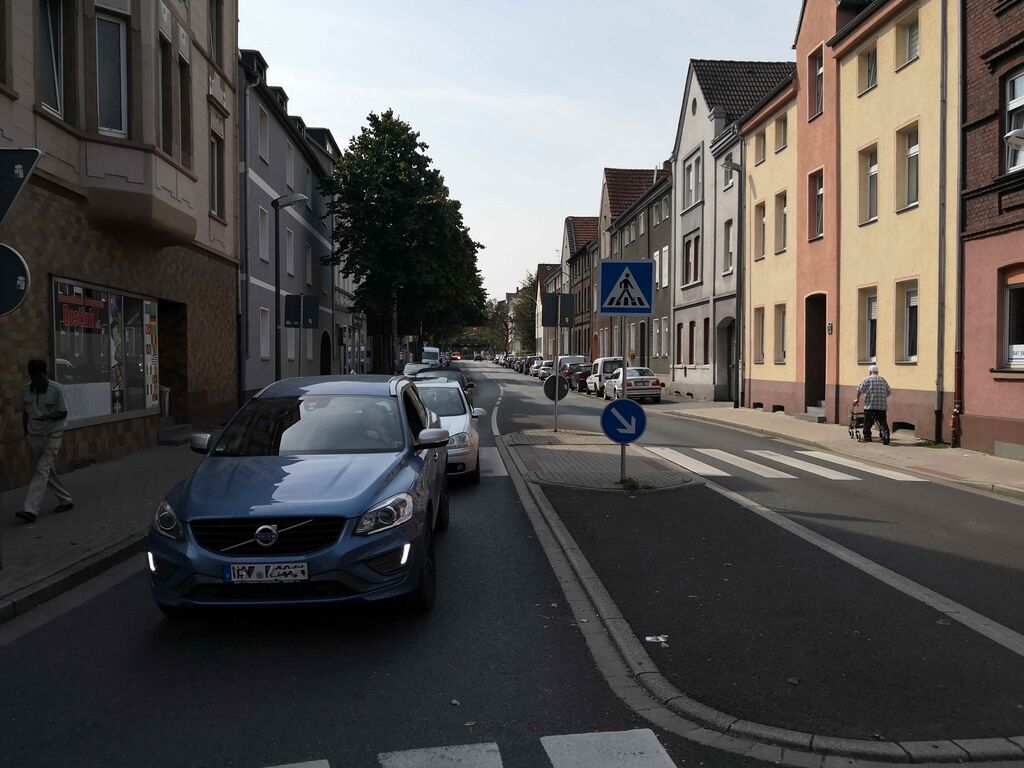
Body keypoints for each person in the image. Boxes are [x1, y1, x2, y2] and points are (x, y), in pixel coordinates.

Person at [17, 359, 74, 522]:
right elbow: (25, 412)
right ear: (30, 376)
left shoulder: (56, 389)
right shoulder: (25, 390)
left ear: (45, 373)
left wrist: (48, 417)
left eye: (40, 377)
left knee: (42, 470)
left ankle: (30, 510)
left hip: (53, 434)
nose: (38, 381)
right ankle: (66, 500)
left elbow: (63, 412)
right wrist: (26, 432)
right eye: (34, 378)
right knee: (45, 471)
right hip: (34, 435)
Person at [853, 364, 893, 445]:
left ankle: (867, 436)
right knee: (883, 422)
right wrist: (882, 397)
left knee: (868, 422)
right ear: (877, 372)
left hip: (870, 406)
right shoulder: (883, 380)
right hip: (882, 406)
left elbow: (860, 390)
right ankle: (886, 436)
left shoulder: (866, 379)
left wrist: (857, 399)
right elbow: (889, 391)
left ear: (870, 372)